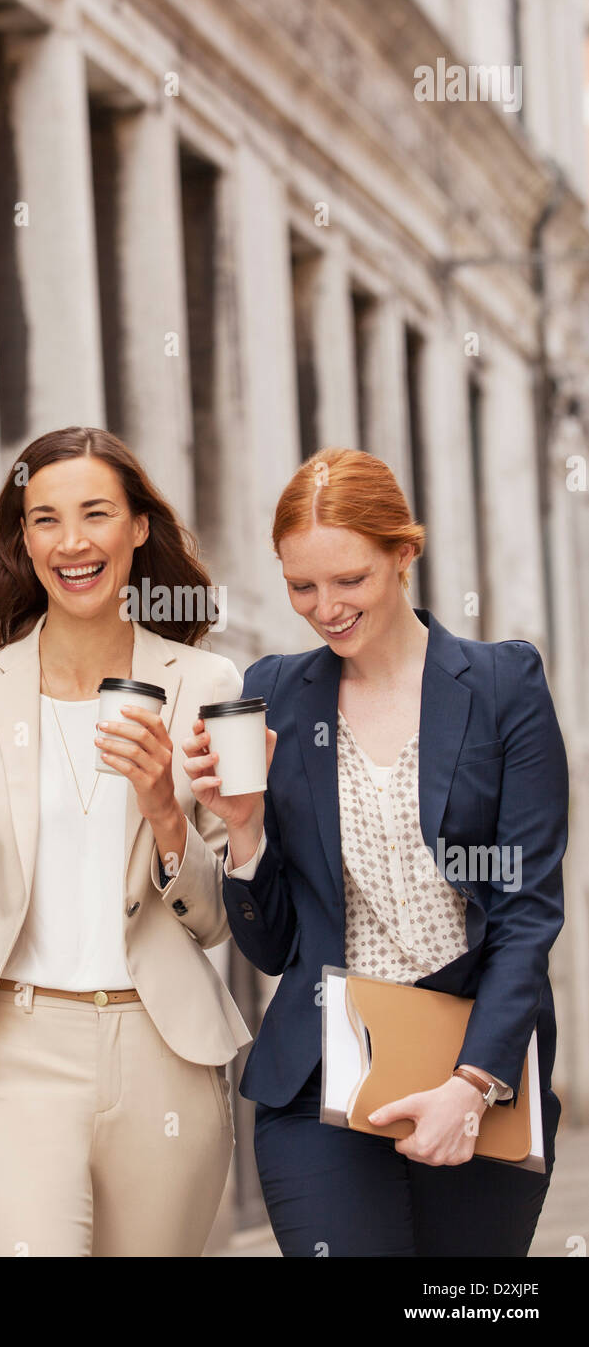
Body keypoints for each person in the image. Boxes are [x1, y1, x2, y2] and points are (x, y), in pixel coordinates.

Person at [184, 446, 568, 1257]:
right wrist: (243, 829)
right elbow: (272, 943)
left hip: (476, 1066)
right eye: (301, 586)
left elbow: (526, 914)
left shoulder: (504, 686)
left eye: (348, 579)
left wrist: (470, 1086)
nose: (324, 608)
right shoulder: (276, 689)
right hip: (320, 1075)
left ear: (403, 552)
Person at [0, 426, 252, 1256]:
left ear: (136, 527)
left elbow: (223, 917)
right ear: (24, 539)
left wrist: (165, 810)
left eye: (95, 513)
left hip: (165, 1052)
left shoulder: (210, 686)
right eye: (45, 519)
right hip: (14, 1055)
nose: (72, 541)